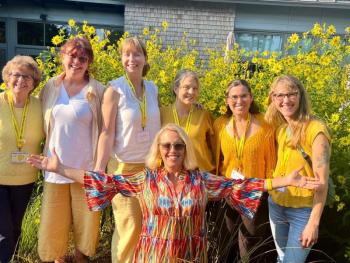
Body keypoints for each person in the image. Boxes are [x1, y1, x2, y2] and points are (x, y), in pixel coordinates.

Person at [28, 123, 321, 263]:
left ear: (185, 149)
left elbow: (239, 187)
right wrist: (61, 167)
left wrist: (283, 179)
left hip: (192, 255)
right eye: (166, 146)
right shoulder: (145, 179)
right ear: (159, 149)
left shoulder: (201, 180)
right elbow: (103, 180)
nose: (172, 151)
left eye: (178, 146)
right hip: (153, 256)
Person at [94, 37, 160, 262]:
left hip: (151, 169)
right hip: (123, 167)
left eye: (137, 54)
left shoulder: (153, 88)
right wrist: (99, 170)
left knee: (149, 226)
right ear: (122, 58)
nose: (132, 59)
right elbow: (106, 131)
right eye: (127, 54)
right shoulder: (114, 89)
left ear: (145, 58)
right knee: (128, 226)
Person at [39, 36, 104, 263]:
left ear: (89, 63)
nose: (76, 62)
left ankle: (80, 259)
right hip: (54, 168)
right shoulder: (50, 87)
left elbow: (109, 127)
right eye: (72, 56)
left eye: (83, 58)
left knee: (86, 223)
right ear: (62, 57)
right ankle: (57, 259)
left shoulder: (98, 90)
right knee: (53, 224)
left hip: (83, 170)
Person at [265, 75, 331, 263]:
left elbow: (322, 183)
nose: (285, 100)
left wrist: (313, 223)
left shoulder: (315, 131)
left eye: (291, 94)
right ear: (273, 98)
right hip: (276, 205)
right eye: (279, 95)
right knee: (282, 257)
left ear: (300, 95)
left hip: (302, 211)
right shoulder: (281, 127)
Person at [212, 79, 276, 262]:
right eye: (234, 97)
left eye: (243, 96)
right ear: (227, 100)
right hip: (228, 192)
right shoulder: (220, 125)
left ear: (251, 97)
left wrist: (269, 192)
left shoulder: (265, 124)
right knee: (225, 243)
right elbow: (218, 160)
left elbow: (271, 161)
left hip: (254, 194)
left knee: (250, 247)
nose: (239, 101)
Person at [0, 55, 44, 262]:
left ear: (34, 83)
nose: (21, 80)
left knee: (15, 229)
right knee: (5, 230)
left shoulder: (40, 107)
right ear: (8, 78)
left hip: (25, 179)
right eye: (16, 75)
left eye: (28, 76)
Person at [160, 69, 215, 172]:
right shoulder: (162, 114)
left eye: (195, 88)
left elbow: (214, 147)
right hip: (173, 177)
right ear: (176, 88)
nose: (191, 92)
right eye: (186, 87)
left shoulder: (203, 114)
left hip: (201, 176)